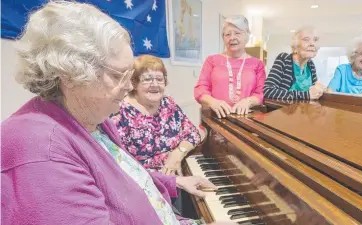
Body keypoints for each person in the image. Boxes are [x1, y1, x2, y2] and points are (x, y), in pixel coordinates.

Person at [1, 2, 235, 225]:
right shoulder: (41, 149)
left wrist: (176, 181)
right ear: (70, 75)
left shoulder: (97, 119)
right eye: (118, 76)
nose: (129, 86)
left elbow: (126, 177)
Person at [111, 55, 200, 176]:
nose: (155, 84)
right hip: (144, 185)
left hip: (177, 176)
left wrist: (178, 153)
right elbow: (120, 163)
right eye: (147, 79)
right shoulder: (120, 113)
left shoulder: (168, 104)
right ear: (134, 83)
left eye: (159, 79)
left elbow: (193, 133)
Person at [194, 15, 266, 118]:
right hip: (216, 118)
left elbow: (261, 93)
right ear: (223, 38)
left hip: (247, 119)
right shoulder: (211, 61)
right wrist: (213, 102)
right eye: (227, 34)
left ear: (246, 36)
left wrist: (248, 101)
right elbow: (200, 88)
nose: (232, 38)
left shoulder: (257, 64)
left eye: (237, 33)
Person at [264, 27, 325, 101]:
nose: (312, 43)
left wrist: (319, 90)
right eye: (306, 39)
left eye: (315, 40)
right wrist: (305, 95)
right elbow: (267, 91)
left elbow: (313, 93)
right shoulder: (284, 59)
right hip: (284, 111)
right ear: (295, 45)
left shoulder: (310, 65)